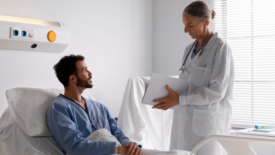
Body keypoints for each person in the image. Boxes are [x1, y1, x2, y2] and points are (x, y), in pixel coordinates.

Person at [152, 1, 234, 155]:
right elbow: (187, 83)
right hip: (183, 120)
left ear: (206, 22)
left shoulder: (220, 48)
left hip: (207, 126)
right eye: (184, 24)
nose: (185, 30)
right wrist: (168, 96)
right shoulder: (188, 49)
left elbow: (217, 91)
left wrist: (181, 99)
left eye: (190, 25)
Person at [47, 55, 141, 155]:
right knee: (102, 134)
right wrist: (116, 149)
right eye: (85, 70)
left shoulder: (100, 107)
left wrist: (129, 145)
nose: (90, 73)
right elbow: (74, 146)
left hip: (121, 150)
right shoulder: (59, 108)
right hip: (104, 152)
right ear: (73, 78)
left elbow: (117, 132)